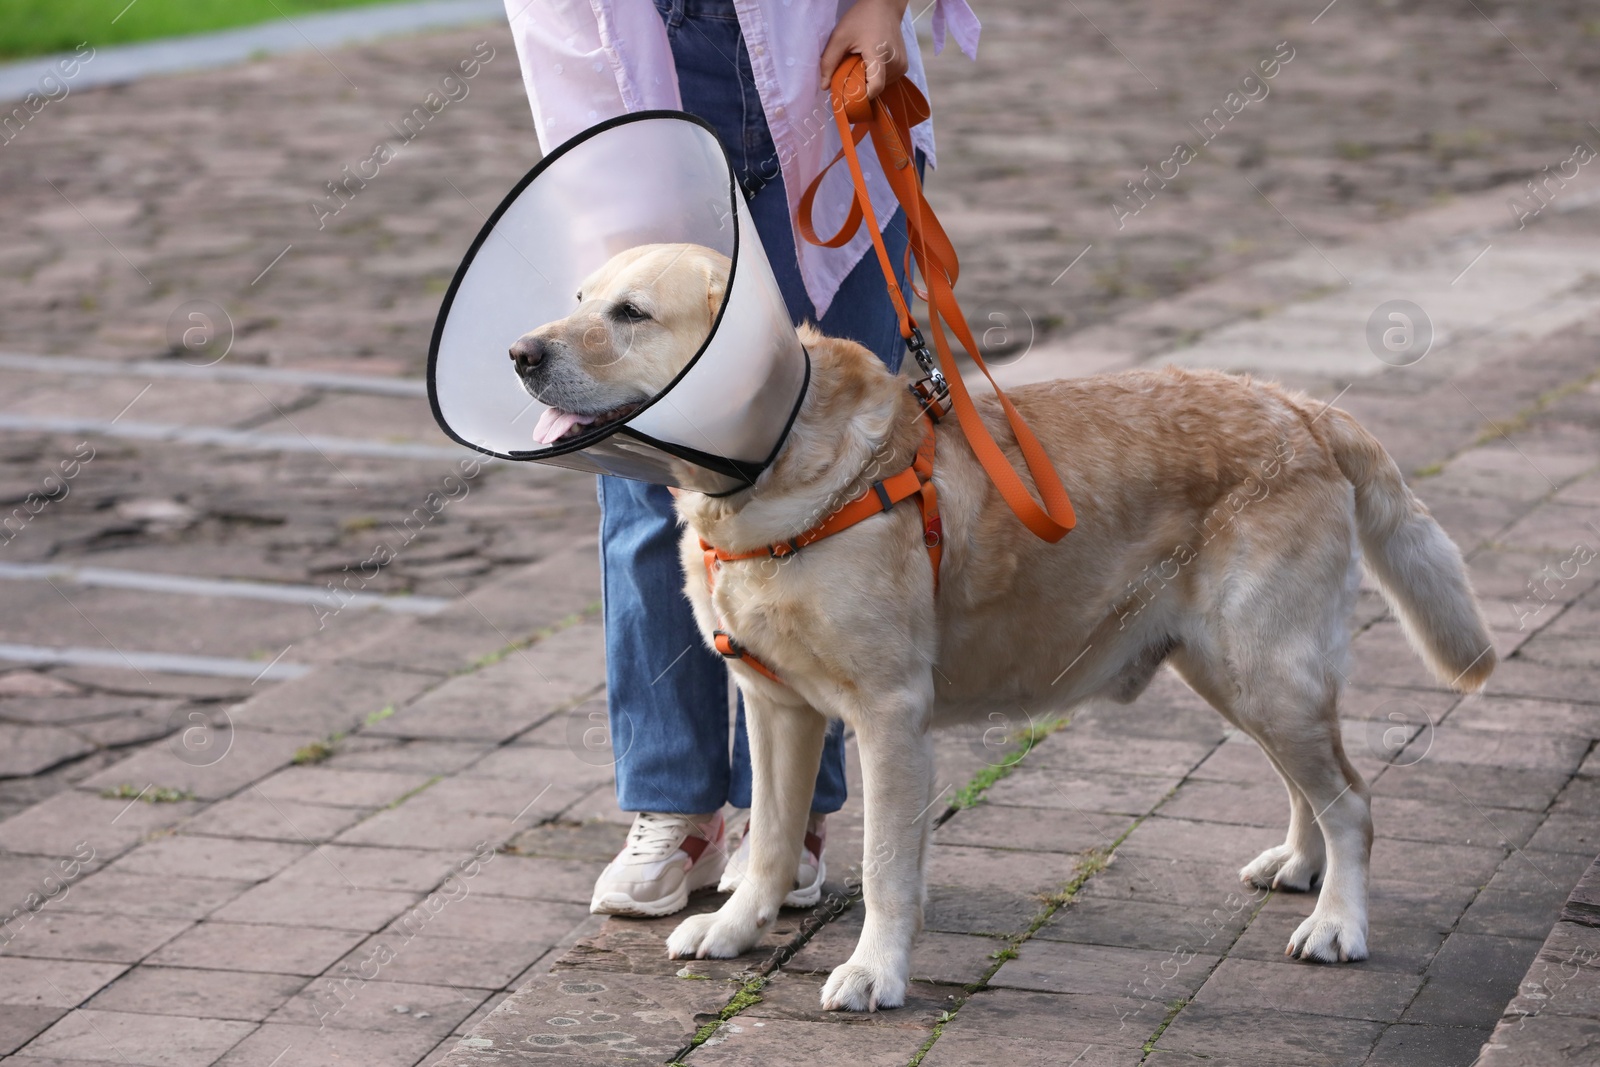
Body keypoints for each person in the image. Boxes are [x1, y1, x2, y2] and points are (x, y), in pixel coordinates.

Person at [503, 0, 979, 917]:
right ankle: (672, 802)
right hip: (626, 79)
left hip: (817, 56)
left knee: (839, 468)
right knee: (647, 476)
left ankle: (790, 812)